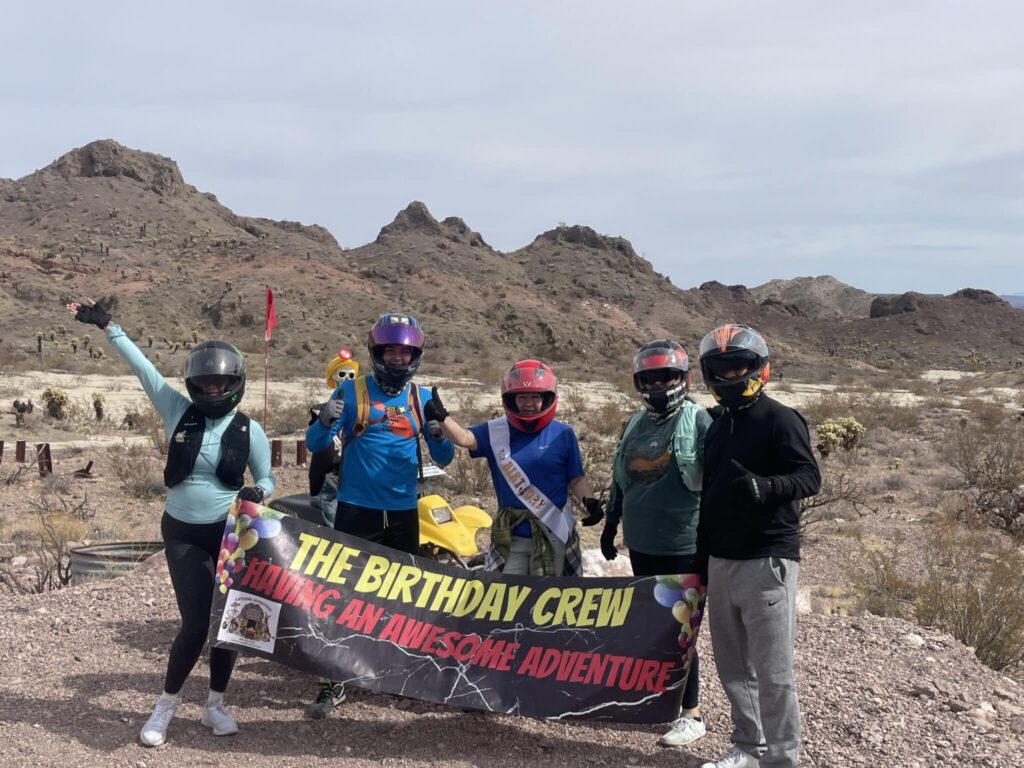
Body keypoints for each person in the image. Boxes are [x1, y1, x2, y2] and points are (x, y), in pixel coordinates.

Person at [67, 298, 275, 747]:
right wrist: (108, 326)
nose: (213, 389)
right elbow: (143, 369)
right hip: (181, 531)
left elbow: (267, 476)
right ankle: (165, 706)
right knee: (197, 623)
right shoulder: (178, 410)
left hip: (229, 535)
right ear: (194, 384)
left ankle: (215, 706)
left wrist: (260, 492)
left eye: (221, 383)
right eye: (205, 382)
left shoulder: (249, 429)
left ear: (234, 383)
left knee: (228, 623)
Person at [304, 313, 453, 717]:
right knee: (341, 596)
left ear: (415, 355)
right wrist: (323, 421)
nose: (398, 358)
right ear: (378, 352)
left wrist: (439, 432)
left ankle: (395, 671)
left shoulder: (421, 398)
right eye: (391, 350)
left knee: (403, 596)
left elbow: (445, 457)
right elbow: (316, 443)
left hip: (404, 512)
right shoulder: (352, 393)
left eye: (405, 351)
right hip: (357, 511)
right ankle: (332, 682)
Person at [695, 324, 820, 768]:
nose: (729, 373)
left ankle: (782, 760)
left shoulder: (780, 419)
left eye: (737, 365)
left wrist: (767, 487)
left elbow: (810, 477)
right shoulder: (717, 426)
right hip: (721, 560)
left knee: (772, 671)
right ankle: (748, 748)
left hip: (767, 558)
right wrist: (700, 560)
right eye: (720, 366)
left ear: (758, 369)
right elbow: (708, 496)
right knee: (733, 668)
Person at [601, 340, 712, 748]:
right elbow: (620, 479)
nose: (658, 384)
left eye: (666, 376)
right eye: (650, 377)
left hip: (684, 542)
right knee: (651, 626)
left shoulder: (698, 421)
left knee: (681, 631)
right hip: (642, 542)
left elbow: (715, 482)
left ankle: (691, 714)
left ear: (683, 378)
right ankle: (656, 699)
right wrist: (611, 526)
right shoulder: (634, 423)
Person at [424, 359, 603, 576]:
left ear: (546, 399)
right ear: (511, 400)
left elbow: (577, 478)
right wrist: (443, 418)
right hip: (511, 538)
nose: (528, 403)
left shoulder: (563, 434)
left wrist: (590, 502)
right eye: (522, 397)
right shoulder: (496, 430)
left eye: (535, 397)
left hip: (553, 533)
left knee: (550, 598)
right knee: (503, 596)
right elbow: (464, 438)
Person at [307, 349, 360, 526]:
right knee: (337, 525)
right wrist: (324, 418)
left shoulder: (361, 413)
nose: (347, 379)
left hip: (353, 479)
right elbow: (314, 439)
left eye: (351, 375)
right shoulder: (321, 410)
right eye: (342, 374)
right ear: (333, 378)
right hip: (329, 482)